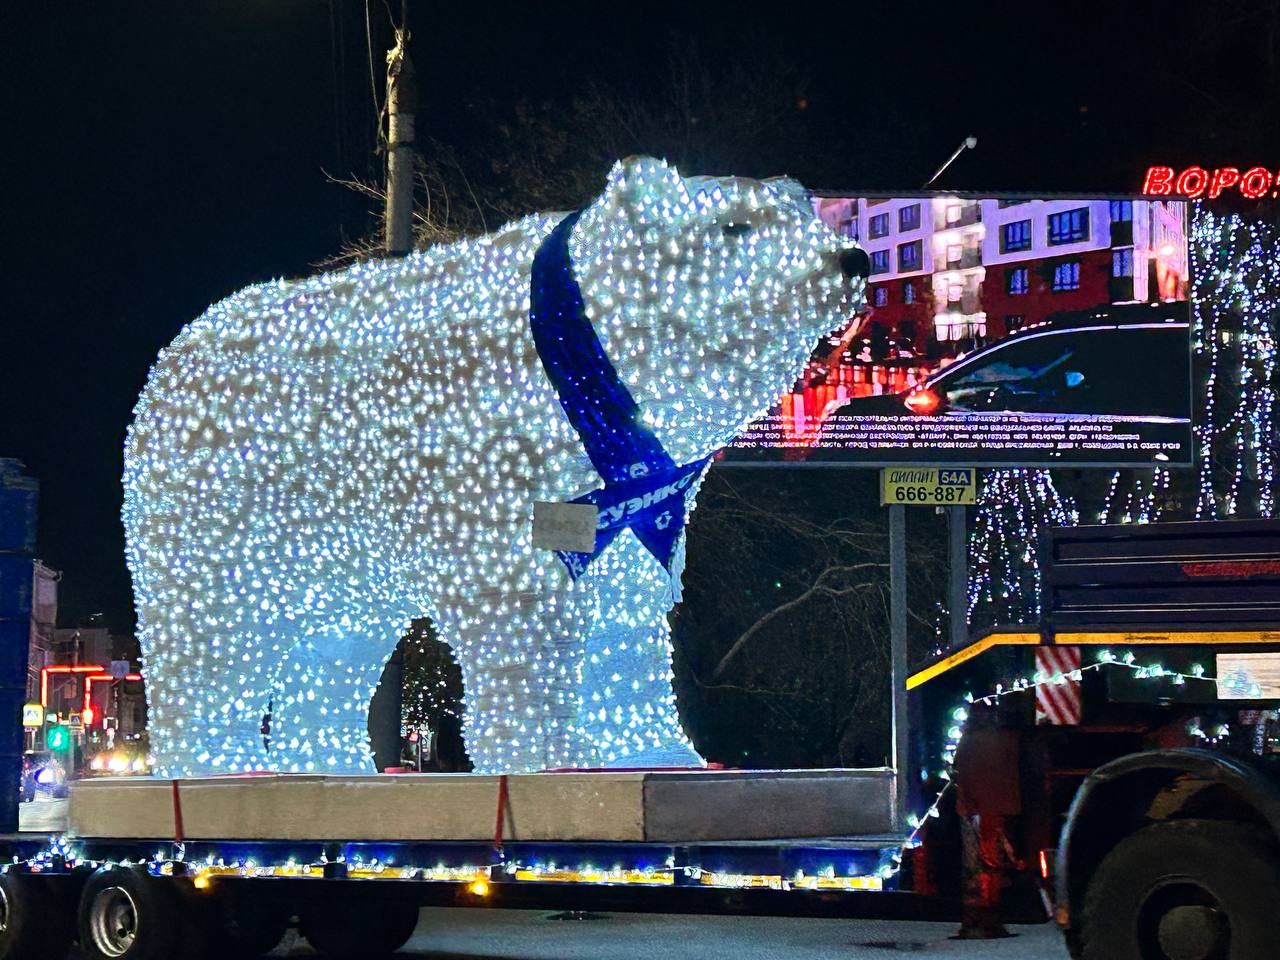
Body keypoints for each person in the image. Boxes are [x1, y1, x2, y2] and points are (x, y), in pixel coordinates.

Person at [952, 701, 1023, 939]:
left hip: (974, 809)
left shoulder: (968, 741)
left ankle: (974, 920)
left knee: (976, 868)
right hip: (990, 810)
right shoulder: (1002, 740)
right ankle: (988, 920)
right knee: (989, 867)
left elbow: (959, 772)